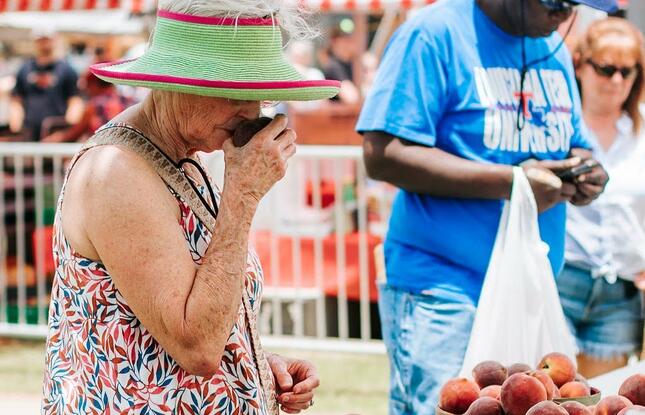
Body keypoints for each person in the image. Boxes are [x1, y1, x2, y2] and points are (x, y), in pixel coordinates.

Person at [40, 1, 340, 414]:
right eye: (234, 92)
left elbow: (177, 320)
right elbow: (195, 346)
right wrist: (243, 195)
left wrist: (251, 364)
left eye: (259, 94)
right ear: (176, 81)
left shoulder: (178, 153)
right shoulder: (117, 172)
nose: (251, 113)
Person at [356, 0, 615, 413]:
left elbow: (572, 140)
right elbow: (383, 152)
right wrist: (511, 182)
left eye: (573, 4)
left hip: (530, 291)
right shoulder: (434, 33)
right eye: (555, 1)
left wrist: (584, 172)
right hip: (443, 291)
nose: (564, 14)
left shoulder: (553, 48)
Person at [557, 17, 645, 378]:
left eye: (628, 71)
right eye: (606, 69)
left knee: (600, 402)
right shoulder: (559, 125)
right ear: (580, 65)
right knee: (547, 397)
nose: (617, 81)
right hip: (562, 278)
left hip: (620, 293)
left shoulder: (641, 132)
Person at [10, 28, 81, 141]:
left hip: (55, 133)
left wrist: (66, 132)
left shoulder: (66, 70)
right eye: (41, 40)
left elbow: (75, 101)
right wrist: (16, 128)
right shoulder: (25, 69)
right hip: (29, 132)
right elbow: (17, 100)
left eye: (47, 39)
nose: (44, 44)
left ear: (54, 40)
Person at [42, 71, 134, 143]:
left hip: (102, 157)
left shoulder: (94, 106)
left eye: (88, 85)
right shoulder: (128, 101)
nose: (87, 90)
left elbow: (74, 134)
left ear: (94, 84)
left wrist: (53, 139)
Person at [322, 26, 361, 105]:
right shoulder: (333, 66)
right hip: (338, 115)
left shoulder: (353, 63)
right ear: (335, 43)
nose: (349, 44)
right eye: (345, 40)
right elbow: (351, 97)